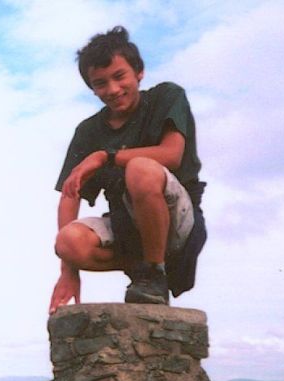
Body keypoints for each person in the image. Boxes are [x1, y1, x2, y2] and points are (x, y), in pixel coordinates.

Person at [48, 26, 206, 314]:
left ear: (139, 72)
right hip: (126, 228)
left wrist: (106, 157)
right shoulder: (88, 131)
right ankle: (140, 265)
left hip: (177, 225)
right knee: (67, 241)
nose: (112, 89)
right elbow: (70, 193)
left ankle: (154, 274)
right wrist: (68, 271)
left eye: (119, 76)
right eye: (100, 83)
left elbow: (171, 154)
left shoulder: (166, 97)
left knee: (140, 169)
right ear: (92, 89)